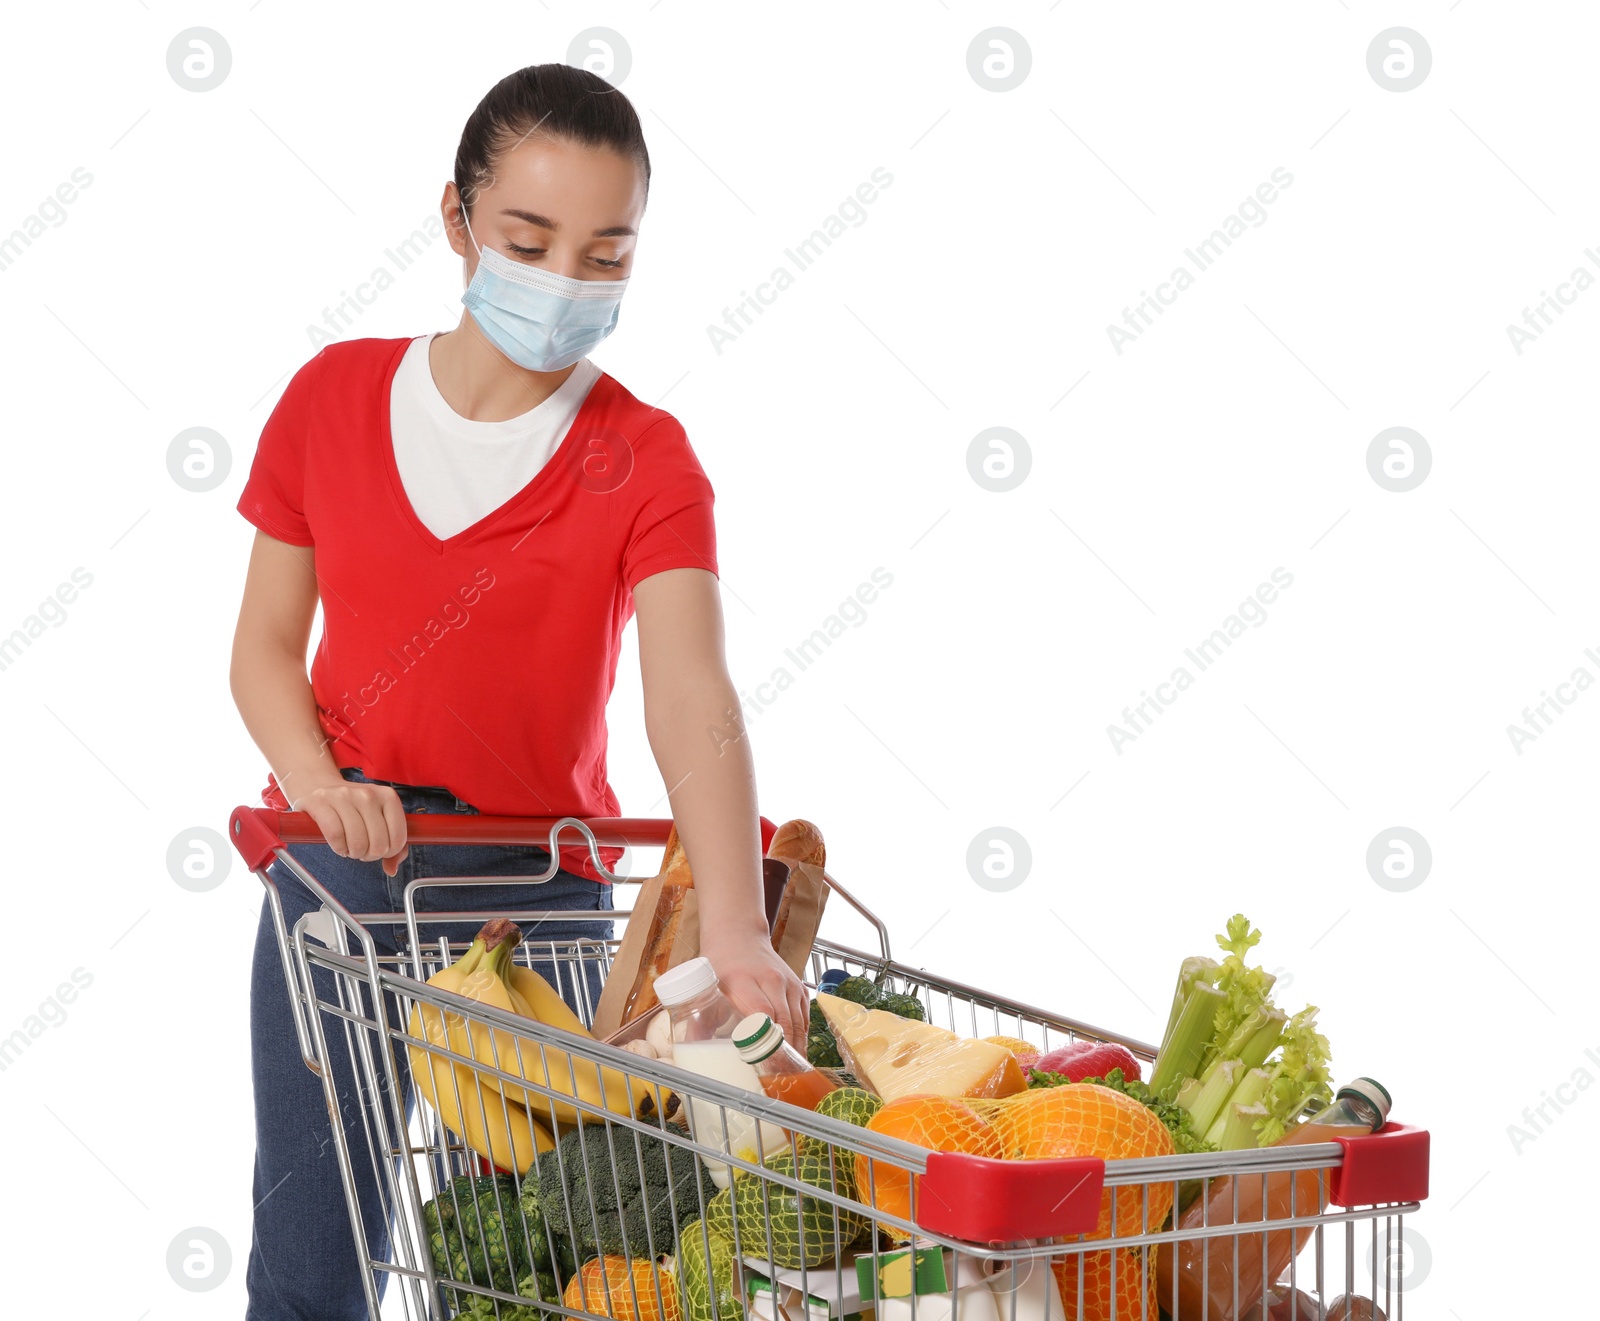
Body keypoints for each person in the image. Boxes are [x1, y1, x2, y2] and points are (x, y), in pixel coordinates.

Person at [229, 62, 807, 1320]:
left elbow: (688, 691)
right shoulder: (330, 398)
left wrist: (737, 928)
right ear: (457, 224)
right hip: (339, 867)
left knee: (531, 1252)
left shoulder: (645, 459)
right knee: (317, 1233)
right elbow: (265, 647)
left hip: (535, 886)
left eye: (606, 254)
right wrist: (325, 790)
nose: (564, 282)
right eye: (529, 241)